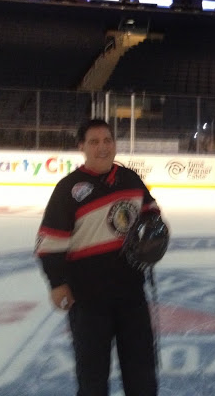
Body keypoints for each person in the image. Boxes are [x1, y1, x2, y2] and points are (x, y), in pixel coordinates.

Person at [35, 119, 161, 396]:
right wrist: (57, 283)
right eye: (94, 142)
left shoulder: (130, 179)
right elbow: (50, 243)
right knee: (92, 378)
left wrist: (152, 234)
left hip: (131, 293)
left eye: (107, 140)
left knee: (142, 373)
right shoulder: (68, 189)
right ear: (81, 146)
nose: (102, 147)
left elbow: (151, 212)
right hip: (88, 299)